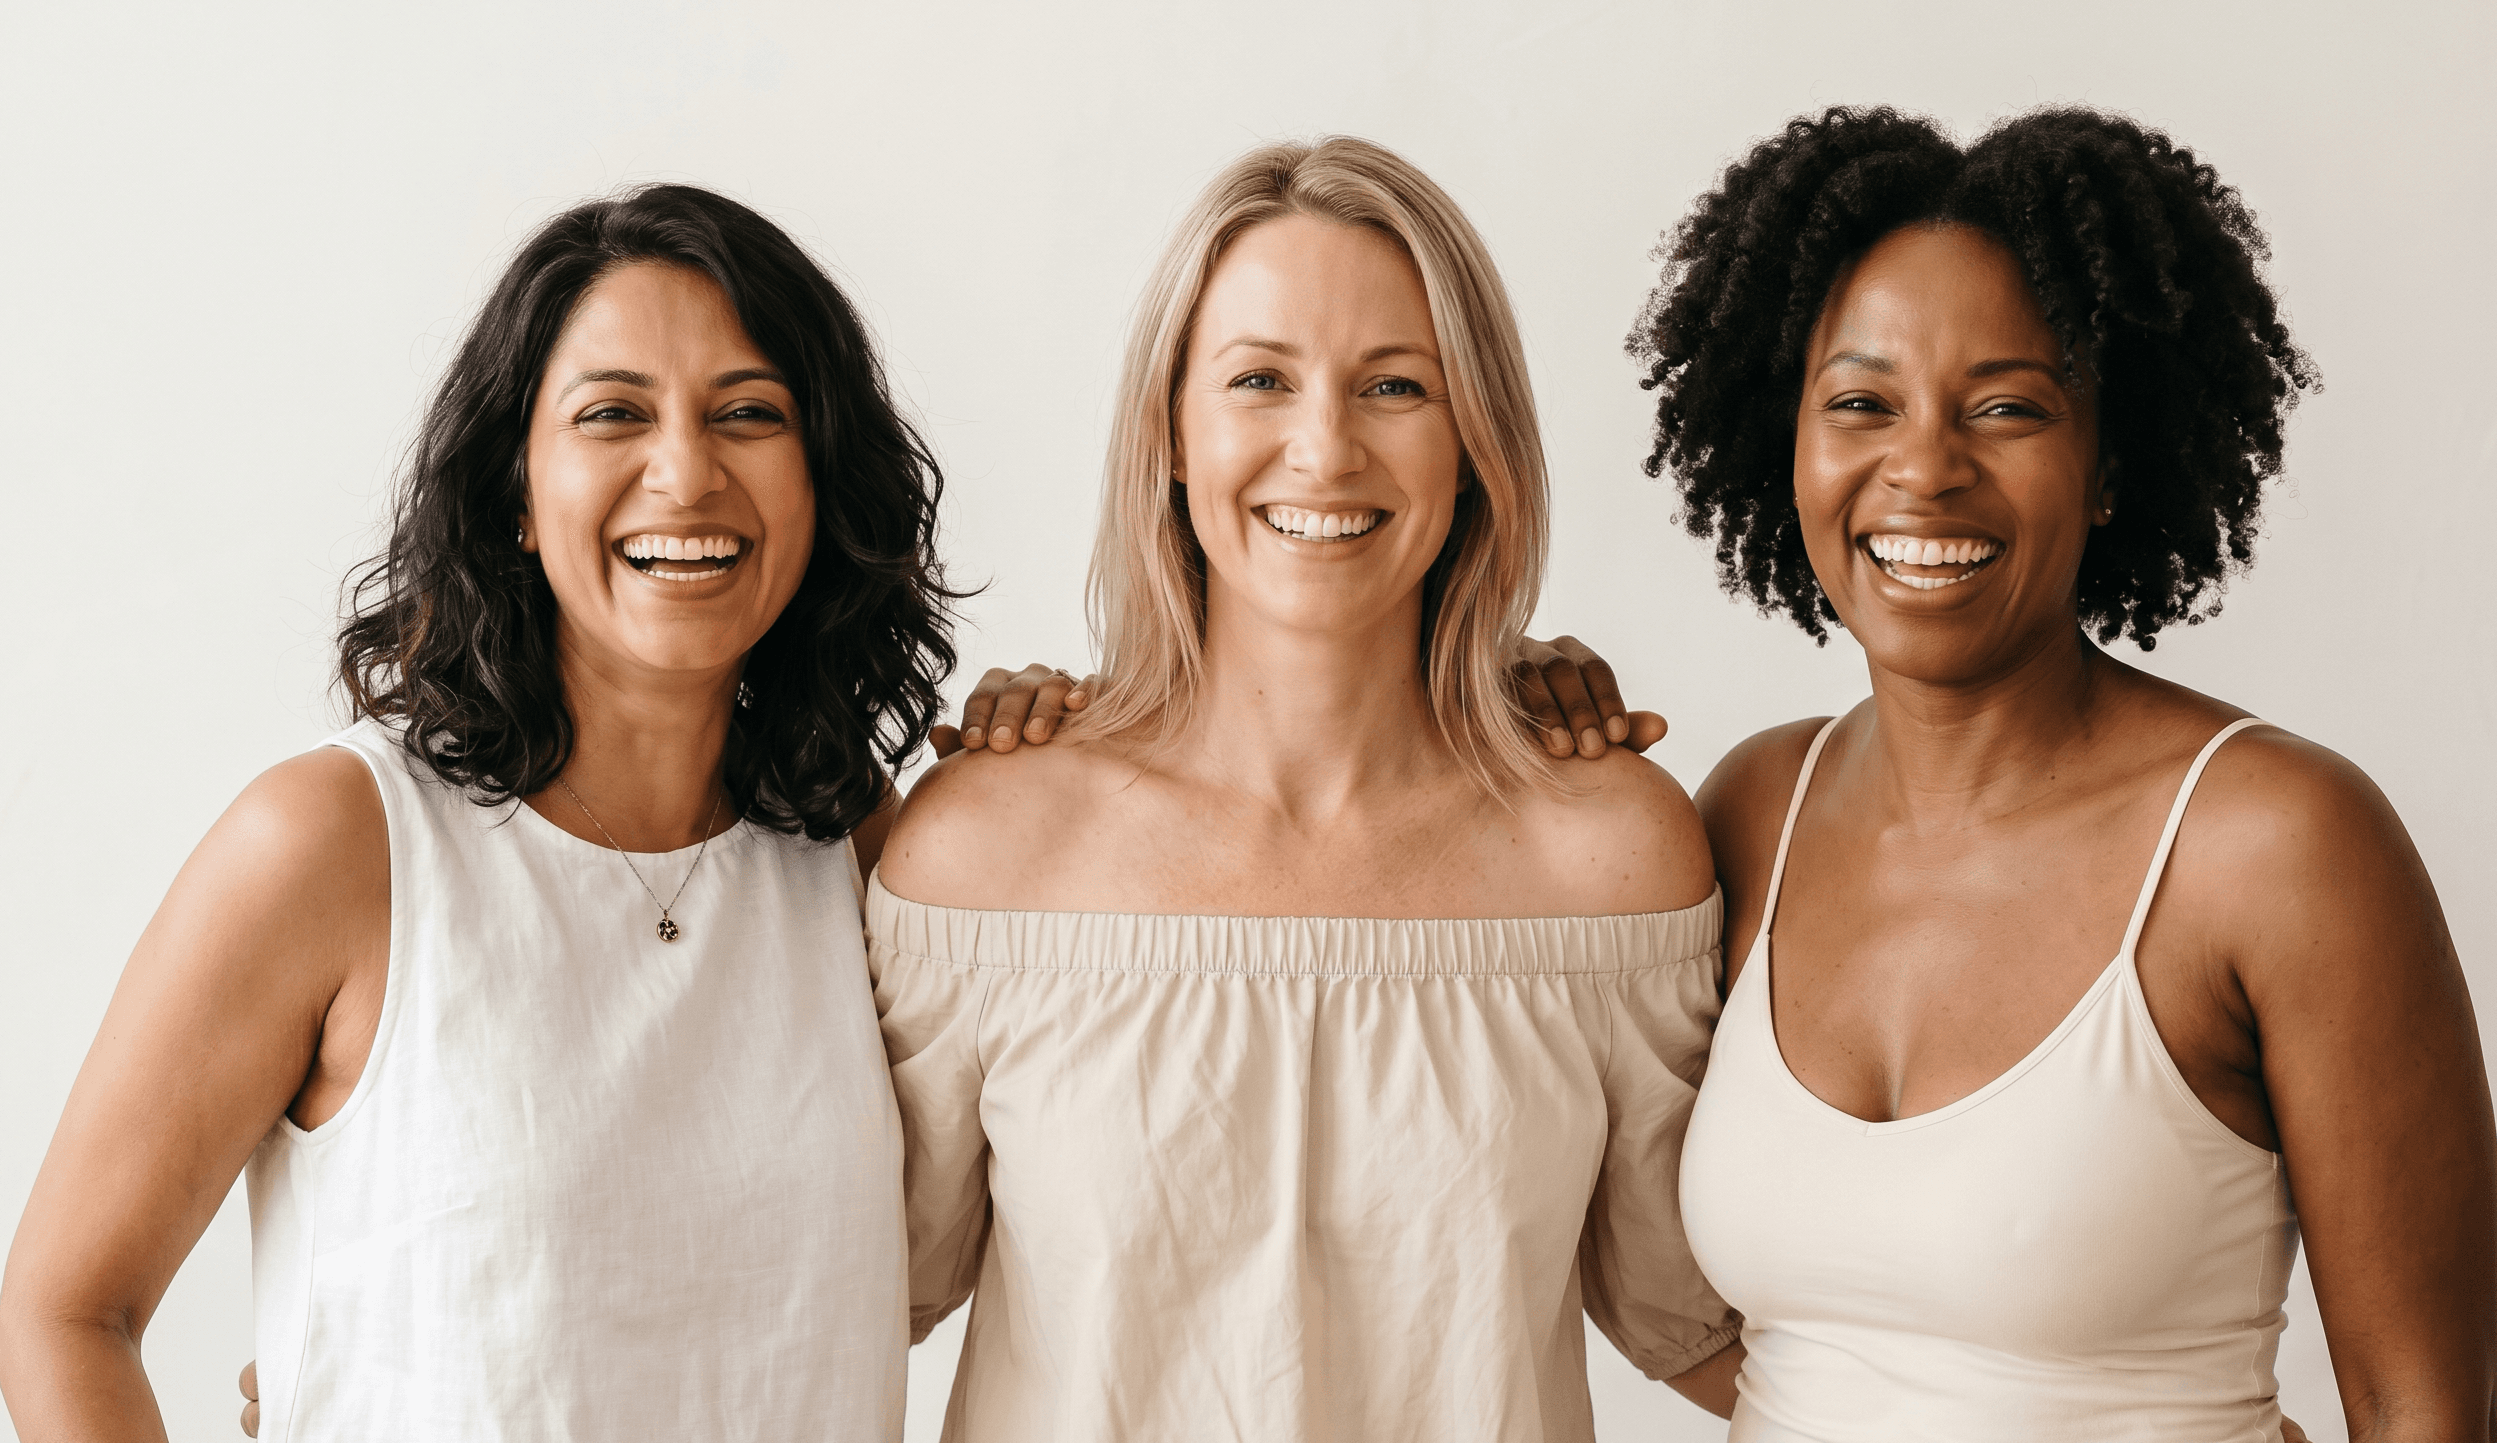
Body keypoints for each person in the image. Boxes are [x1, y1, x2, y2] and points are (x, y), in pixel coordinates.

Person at [0, 184, 956, 1442]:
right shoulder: (337, 844)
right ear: (516, 489)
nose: (686, 470)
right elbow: (67, 1312)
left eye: (750, 413)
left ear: (822, 483)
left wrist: (1067, 746)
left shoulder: (867, 852)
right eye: (614, 413)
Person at [1628, 107, 2491, 1440]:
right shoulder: (1753, 807)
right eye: (1860, 402)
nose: (1923, 467)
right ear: (1782, 439)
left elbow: (2422, 1405)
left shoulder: (2275, 843)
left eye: (2008, 406)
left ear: (2106, 463)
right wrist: (1515, 698)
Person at [871, 136, 1740, 1441]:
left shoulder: (1609, 852)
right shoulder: (988, 845)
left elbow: (1701, 1324)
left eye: (1395, 384)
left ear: (1475, 441)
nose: (1322, 448)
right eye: (1258, 380)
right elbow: (838, 1297)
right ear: (1172, 428)